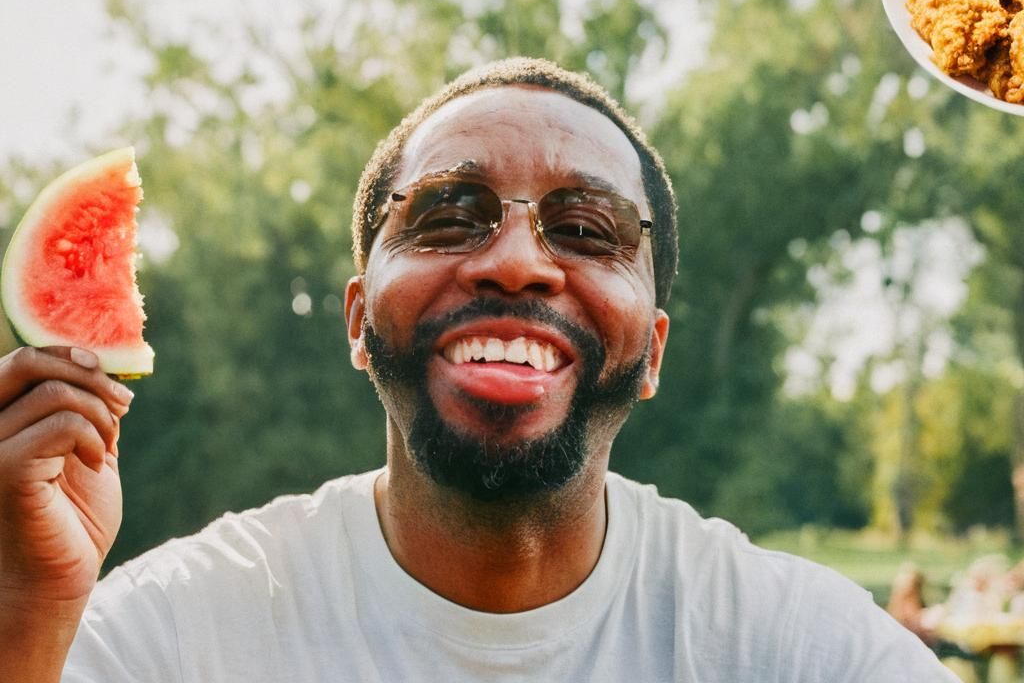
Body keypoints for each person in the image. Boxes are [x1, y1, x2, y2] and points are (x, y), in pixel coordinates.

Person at [1, 57, 956, 681]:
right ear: (358, 319)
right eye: (447, 216)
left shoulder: (789, 645)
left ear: (653, 350)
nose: (516, 261)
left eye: (587, 231)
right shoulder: (177, 635)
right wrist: (28, 605)